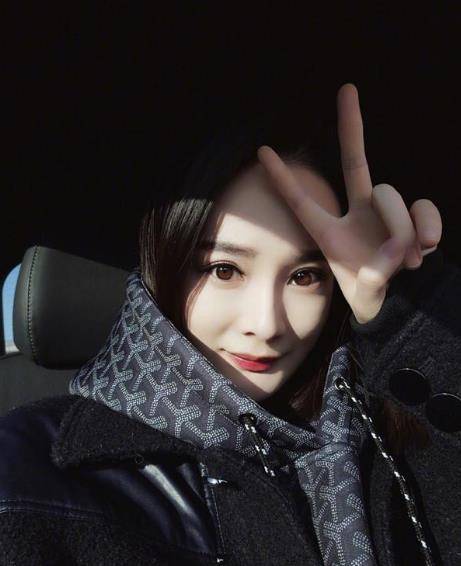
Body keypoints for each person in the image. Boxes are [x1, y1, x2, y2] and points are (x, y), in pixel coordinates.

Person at [0, 83, 459, 566]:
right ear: (167, 266)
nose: (266, 324)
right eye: (224, 270)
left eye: (304, 277)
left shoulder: (383, 444)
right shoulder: (29, 476)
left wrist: (409, 312)